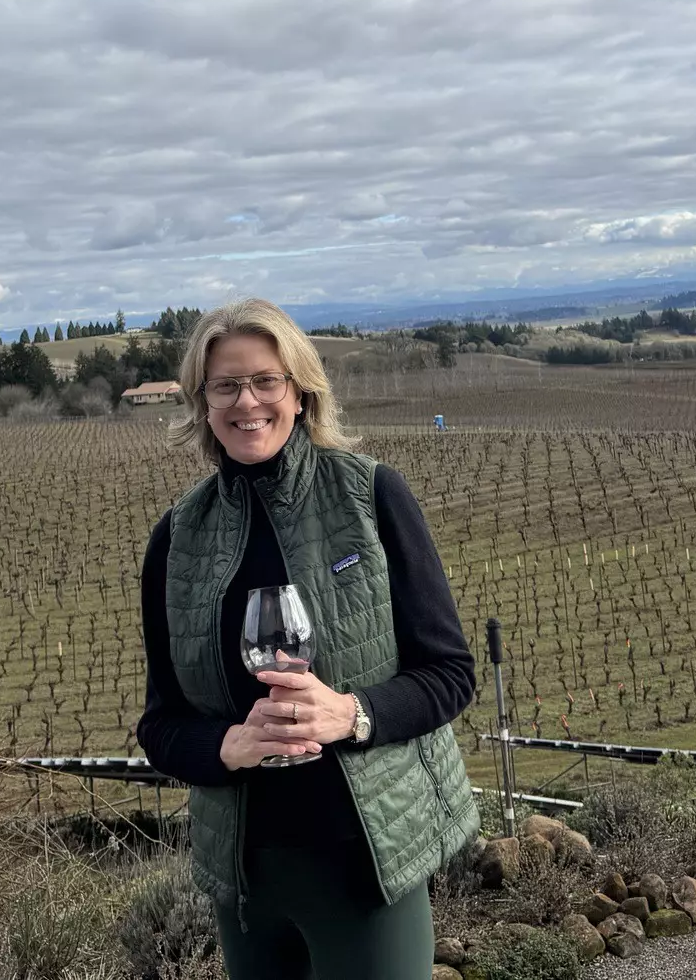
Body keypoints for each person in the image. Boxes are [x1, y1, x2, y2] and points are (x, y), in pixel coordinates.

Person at [137, 298, 479, 980]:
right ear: (202, 403)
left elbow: (450, 673)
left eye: (265, 380)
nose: (247, 401)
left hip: (365, 863)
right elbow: (161, 724)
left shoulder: (371, 495)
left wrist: (351, 714)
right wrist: (226, 746)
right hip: (248, 879)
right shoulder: (177, 540)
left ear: (299, 390)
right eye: (225, 386)